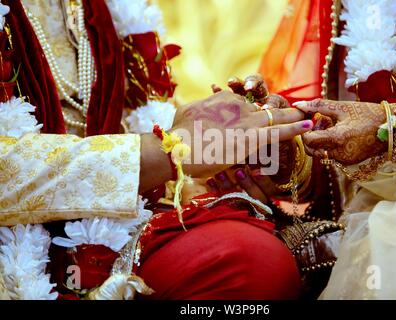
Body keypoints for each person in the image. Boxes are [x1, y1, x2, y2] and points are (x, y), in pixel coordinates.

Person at [0, 0, 313, 300]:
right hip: (14, 250)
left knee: (254, 262)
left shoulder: (99, 8)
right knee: (248, 263)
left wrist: (244, 149)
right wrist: (169, 150)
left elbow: (145, 117)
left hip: (127, 223)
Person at [254, 0, 396, 299]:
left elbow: (378, 131)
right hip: (372, 211)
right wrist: (291, 155)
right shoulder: (345, 7)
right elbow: (356, 163)